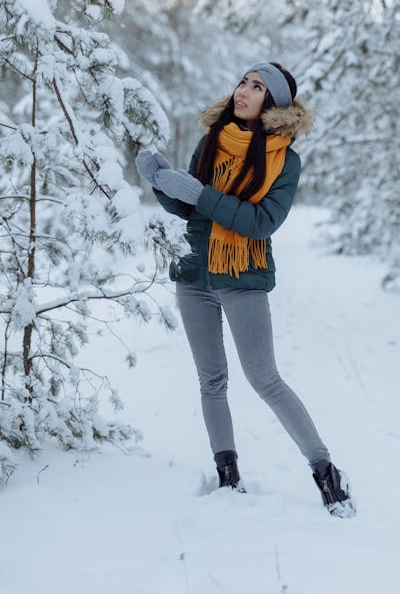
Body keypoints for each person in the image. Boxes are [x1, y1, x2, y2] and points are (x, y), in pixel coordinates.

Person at [136, 62, 355, 517]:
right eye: (243, 81)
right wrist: (160, 183)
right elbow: (191, 209)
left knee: (265, 379)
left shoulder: (284, 158)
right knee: (211, 381)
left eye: (258, 87)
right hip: (195, 274)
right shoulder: (212, 140)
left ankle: (326, 472)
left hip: (243, 277)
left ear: (273, 103)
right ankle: (228, 476)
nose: (244, 91)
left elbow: (262, 222)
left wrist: (198, 195)